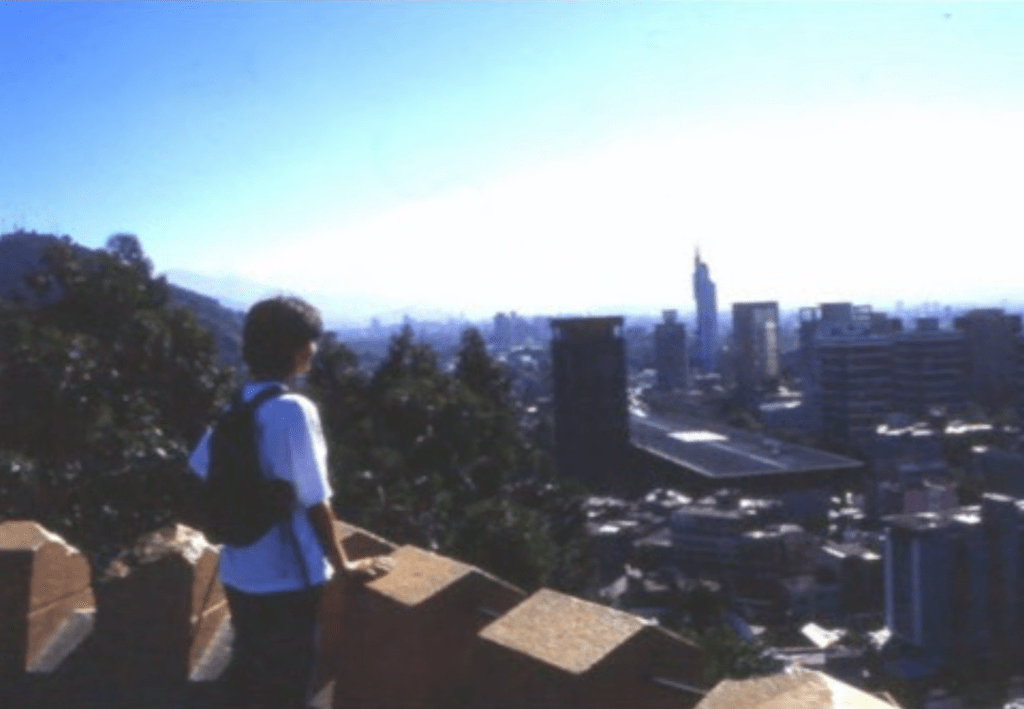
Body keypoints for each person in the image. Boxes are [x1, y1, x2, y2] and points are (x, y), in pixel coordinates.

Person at [189, 296, 390, 709]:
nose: (314, 351)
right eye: (311, 342)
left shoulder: (235, 406)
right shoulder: (293, 410)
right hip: (288, 577)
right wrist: (344, 567)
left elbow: (197, 471)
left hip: (239, 571)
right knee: (288, 687)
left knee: (250, 678)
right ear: (297, 350)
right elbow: (315, 500)